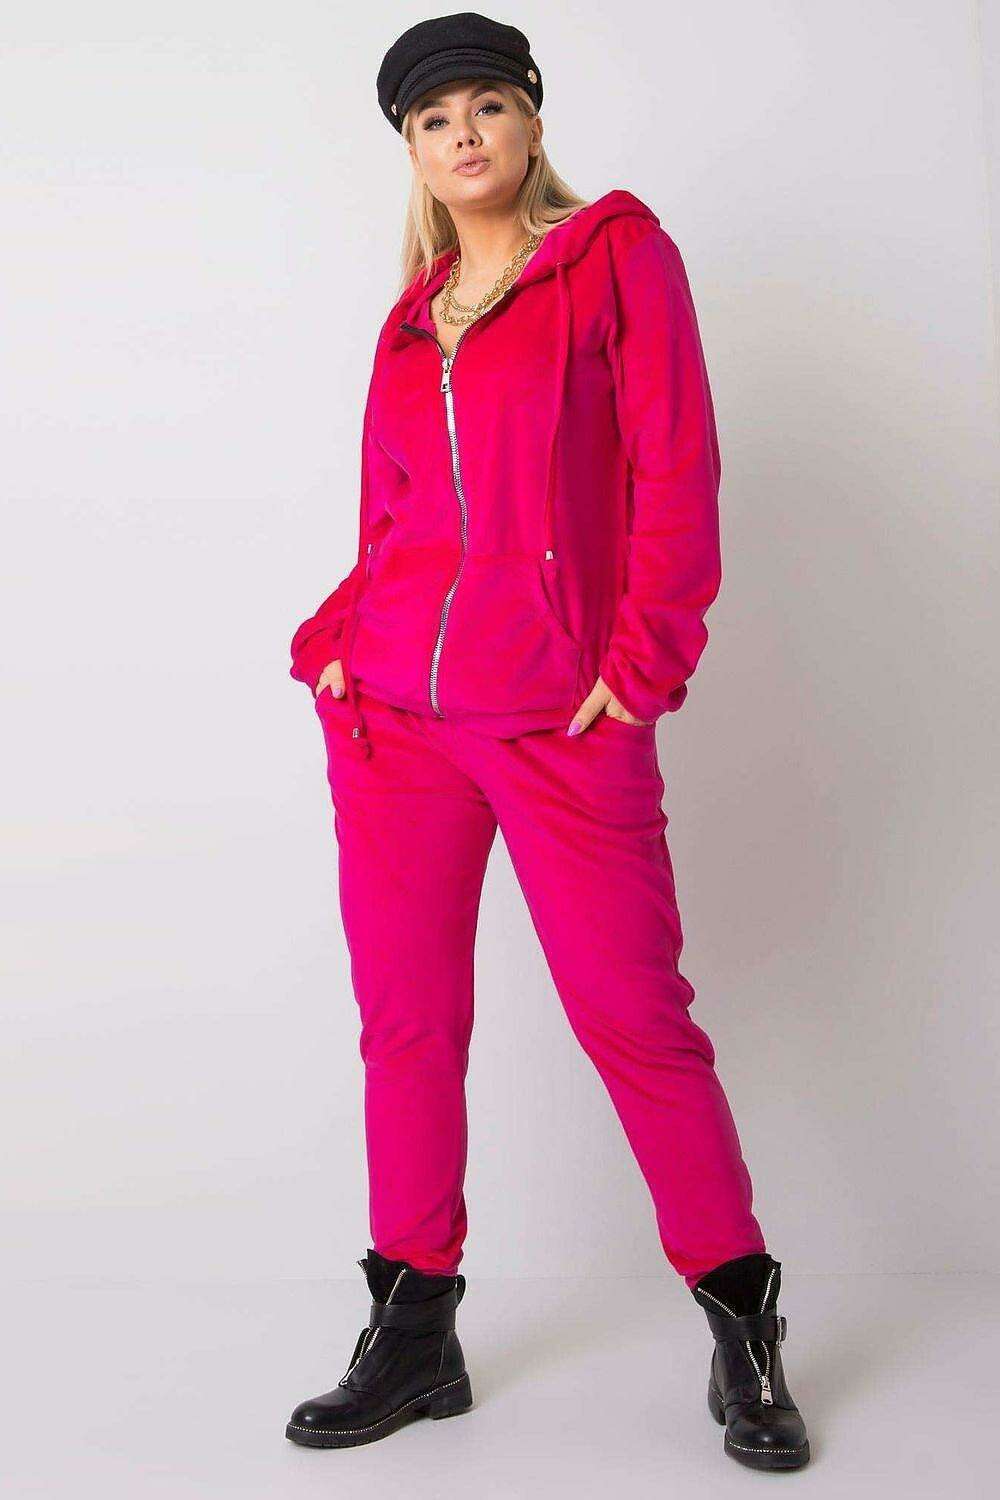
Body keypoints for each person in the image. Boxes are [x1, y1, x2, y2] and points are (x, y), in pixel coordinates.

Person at [283, 11, 810, 1473]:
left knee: (635, 1017)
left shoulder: (615, 259)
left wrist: (640, 671)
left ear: (529, 121)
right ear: (410, 150)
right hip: (397, 725)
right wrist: (334, 641)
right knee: (407, 1026)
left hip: (560, 718)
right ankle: (414, 1329)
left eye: (487, 106)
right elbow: (396, 521)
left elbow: (677, 469)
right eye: (432, 119)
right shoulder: (412, 317)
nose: (463, 135)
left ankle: (743, 1321)